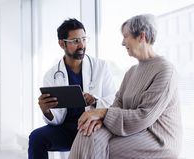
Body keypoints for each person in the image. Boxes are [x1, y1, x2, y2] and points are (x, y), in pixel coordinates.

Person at [68, 14, 182, 159]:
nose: (122, 42)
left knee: (99, 146)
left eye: (126, 36)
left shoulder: (165, 70)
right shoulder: (131, 72)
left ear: (141, 36)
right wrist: (99, 120)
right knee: (87, 132)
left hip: (158, 138)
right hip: (134, 131)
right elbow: (118, 104)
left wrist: (102, 114)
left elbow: (144, 116)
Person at [28, 18, 116, 159]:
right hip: (67, 129)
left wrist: (95, 100)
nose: (81, 45)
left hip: (93, 125)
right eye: (75, 41)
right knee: (36, 138)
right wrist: (46, 111)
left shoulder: (101, 67)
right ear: (62, 44)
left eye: (84, 39)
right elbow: (56, 120)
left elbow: (114, 100)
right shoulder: (51, 75)